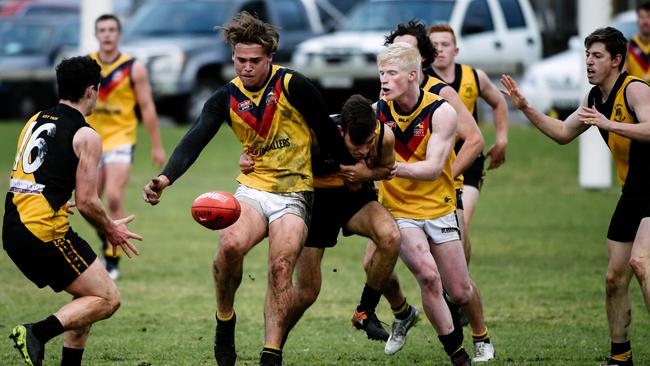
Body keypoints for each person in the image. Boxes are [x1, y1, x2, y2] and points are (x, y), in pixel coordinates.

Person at [142, 12, 347, 366]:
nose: (247, 67)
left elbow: (328, 135)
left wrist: (350, 167)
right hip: (253, 189)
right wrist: (165, 179)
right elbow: (195, 138)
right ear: (233, 58)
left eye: (255, 61)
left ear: (270, 58)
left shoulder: (294, 86)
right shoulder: (226, 97)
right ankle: (225, 320)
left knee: (281, 267)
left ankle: (271, 352)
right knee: (229, 246)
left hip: (296, 192)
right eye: (241, 60)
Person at [500, 26, 650, 366]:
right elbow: (564, 133)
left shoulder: (635, 90)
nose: (588, 62)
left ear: (616, 60)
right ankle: (620, 357)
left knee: (642, 262)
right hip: (634, 191)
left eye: (597, 56)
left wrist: (609, 124)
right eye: (587, 55)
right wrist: (525, 107)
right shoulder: (594, 99)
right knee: (614, 279)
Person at [4, 56, 142, 366]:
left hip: (14, 226)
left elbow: (35, 176)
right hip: (44, 232)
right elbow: (88, 202)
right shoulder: (87, 135)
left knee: (87, 297)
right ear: (92, 90)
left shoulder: (35, 119)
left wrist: (57, 198)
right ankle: (36, 333)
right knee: (107, 298)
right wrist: (111, 229)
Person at [240, 94, 401, 345]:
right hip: (316, 201)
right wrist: (249, 159)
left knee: (391, 237)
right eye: (355, 143)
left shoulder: (383, 137)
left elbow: (387, 169)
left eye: (367, 143)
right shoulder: (312, 135)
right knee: (307, 292)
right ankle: (274, 344)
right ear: (340, 131)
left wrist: (365, 172)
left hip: (354, 196)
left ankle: (365, 311)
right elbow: (273, 150)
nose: (362, 150)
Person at [380, 20, 494, 362]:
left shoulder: (442, 96)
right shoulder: (385, 96)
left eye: (408, 51)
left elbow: (474, 140)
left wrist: (443, 176)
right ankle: (403, 314)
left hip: (443, 196)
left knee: (458, 287)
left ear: (419, 63)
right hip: (399, 205)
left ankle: (480, 334)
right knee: (379, 264)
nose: (385, 77)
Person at [366, 41, 472, 366]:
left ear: (413, 75)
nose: (384, 79)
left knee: (461, 292)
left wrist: (390, 169)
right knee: (428, 276)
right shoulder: (376, 113)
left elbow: (433, 169)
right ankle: (459, 355)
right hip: (398, 212)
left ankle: (449, 318)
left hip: (438, 207)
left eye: (392, 73)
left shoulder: (441, 112)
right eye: (382, 72)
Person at [88, 14, 165, 280]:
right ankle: (108, 235)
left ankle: (112, 259)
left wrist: (156, 145)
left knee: (113, 196)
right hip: (92, 140)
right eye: (102, 30)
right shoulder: (88, 65)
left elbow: (146, 106)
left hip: (122, 138)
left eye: (112, 29)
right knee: (89, 202)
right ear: (96, 34)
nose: (107, 34)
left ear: (119, 34)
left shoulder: (134, 68)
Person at [427, 24, 509, 266]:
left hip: (469, 159)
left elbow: (499, 103)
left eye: (445, 45)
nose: (440, 50)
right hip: (436, 159)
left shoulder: (475, 77)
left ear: (456, 49)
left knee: (460, 223)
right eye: (434, 46)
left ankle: (460, 280)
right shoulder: (422, 79)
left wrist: (502, 139)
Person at [626, 1, 650, 82]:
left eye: (649, 17)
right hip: (635, 93)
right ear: (637, 20)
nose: (645, 21)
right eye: (642, 17)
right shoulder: (628, 47)